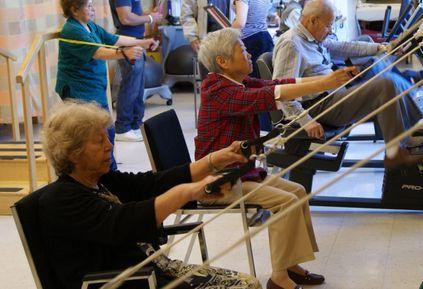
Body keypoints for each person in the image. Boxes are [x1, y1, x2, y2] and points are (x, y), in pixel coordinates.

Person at [194, 28, 357, 289]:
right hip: (217, 182)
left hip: (240, 174)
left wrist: (329, 79)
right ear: (222, 62)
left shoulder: (239, 82)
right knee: (286, 201)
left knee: (298, 191)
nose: (248, 54)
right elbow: (269, 96)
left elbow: (279, 86)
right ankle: (279, 278)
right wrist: (327, 83)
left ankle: (290, 265)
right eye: (242, 50)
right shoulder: (217, 90)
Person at [39, 101, 260, 289]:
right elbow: (125, 222)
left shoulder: (100, 179)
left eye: (107, 139)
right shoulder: (62, 200)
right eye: (99, 141)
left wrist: (214, 160)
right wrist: (186, 192)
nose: (109, 146)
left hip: (153, 271)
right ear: (73, 152)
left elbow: (152, 183)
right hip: (129, 282)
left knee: (248, 283)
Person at [272, 0, 423, 168]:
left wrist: (382, 48)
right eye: (328, 25)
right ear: (313, 20)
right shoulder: (291, 44)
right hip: (319, 107)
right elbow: (281, 91)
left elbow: (344, 47)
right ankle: (395, 153)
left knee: (388, 74)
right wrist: (306, 121)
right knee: (386, 85)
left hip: (334, 94)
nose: (330, 31)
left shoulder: (314, 38)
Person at [55, 0, 159, 170]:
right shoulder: (72, 30)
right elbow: (99, 52)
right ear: (74, 9)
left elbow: (113, 39)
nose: (93, 9)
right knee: (94, 137)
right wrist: (124, 54)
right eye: (89, 6)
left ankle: (108, 173)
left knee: (106, 133)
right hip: (79, 91)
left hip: (94, 88)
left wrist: (142, 42)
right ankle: (104, 174)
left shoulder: (90, 26)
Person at [109, 0, 163, 142]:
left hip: (137, 40)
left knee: (138, 86)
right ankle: (123, 128)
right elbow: (125, 18)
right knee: (130, 86)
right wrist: (149, 18)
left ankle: (135, 124)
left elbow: (134, 14)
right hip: (128, 42)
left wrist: (151, 15)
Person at [231, 0, 273, 78]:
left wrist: (228, 31)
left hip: (251, 42)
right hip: (265, 38)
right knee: (266, 78)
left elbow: (240, 22)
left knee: (253, 82)